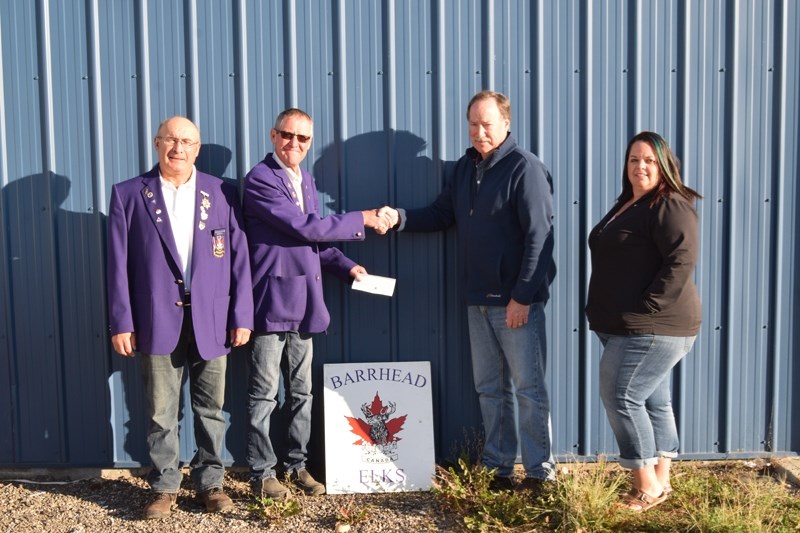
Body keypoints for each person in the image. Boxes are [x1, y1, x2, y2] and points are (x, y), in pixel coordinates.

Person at [378, 90, 557, 490]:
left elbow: (539, 238)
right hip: (477, 300)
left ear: (506, 124)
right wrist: (400, 218)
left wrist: (522, 297)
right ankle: (498, 468)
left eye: (487, 124)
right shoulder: (464, 169)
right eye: (473, 124)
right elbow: (442, 214)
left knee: (528, 390)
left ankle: (540, 474)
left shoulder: (523, 168)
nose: (479, 132)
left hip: (515, 303)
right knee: (490, 390)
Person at [107, 116, 254, 519]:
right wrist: (122, 321)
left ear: (197, 148)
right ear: (157, 143)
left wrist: (242, 314)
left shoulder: (222, 192)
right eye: (171, 139)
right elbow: (117, 265)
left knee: (211, 408)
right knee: (160, 410)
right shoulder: (128, 194)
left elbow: (239, 258)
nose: (178, 148)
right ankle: (165, 485)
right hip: (155, 318)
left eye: (187, 141)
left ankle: (211, 484)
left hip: (213, 317)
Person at [243, 108, 389, 499]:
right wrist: (364, 217)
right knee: (264, 395)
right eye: (287, 135)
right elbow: (304, 227)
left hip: (307, 302)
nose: (294, 143)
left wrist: (347, 267)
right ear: (273, 135)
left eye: (302, 138)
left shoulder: (304, 179)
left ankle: (296, 466)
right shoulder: (260, 180)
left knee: (302, 392)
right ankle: (262, 473)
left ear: (309, 142)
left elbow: (315, 243)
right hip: (272, 302)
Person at [586, 131, 702, 512]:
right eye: (634, 159)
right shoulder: (630, 203)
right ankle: (662, 480)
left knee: (620, 395)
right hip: (627, 326)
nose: (640, 167)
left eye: (650, 160)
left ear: (665, 165)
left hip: (653, 326)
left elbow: (682, 260)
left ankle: (645, 485)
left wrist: (648, 307)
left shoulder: (669, 203)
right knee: (654, 400)